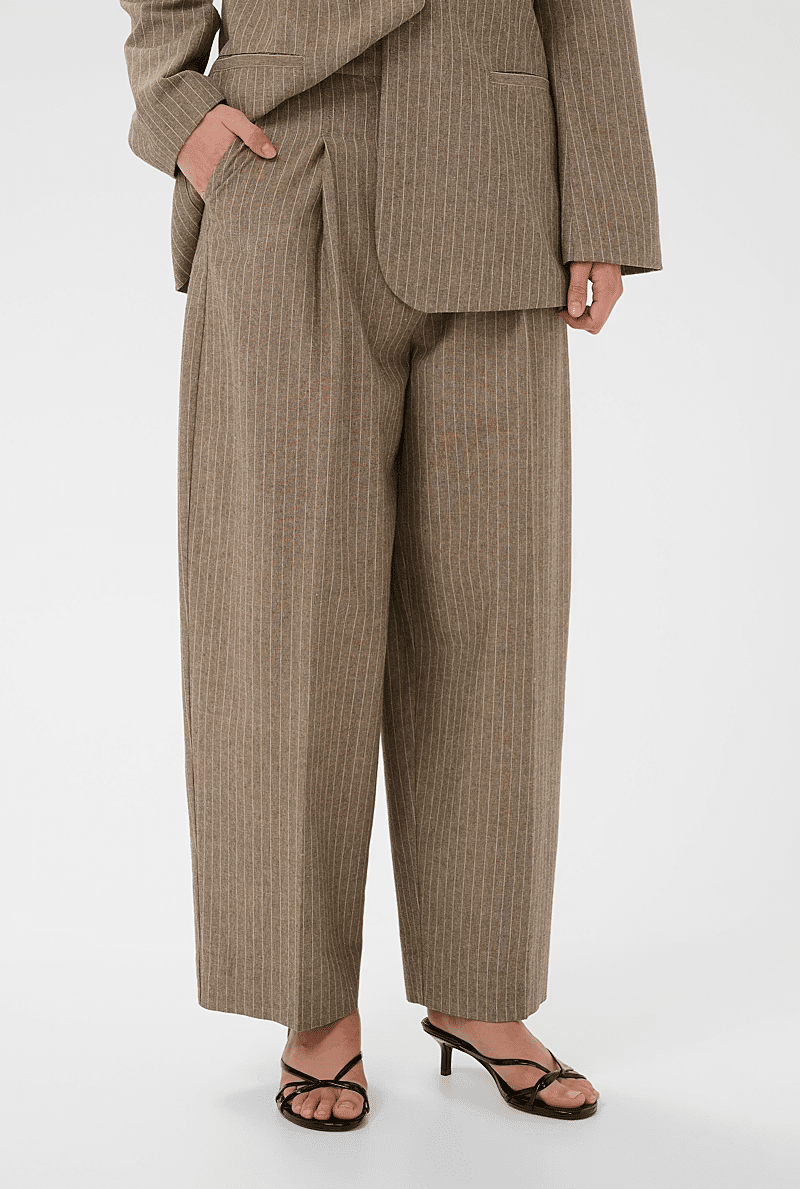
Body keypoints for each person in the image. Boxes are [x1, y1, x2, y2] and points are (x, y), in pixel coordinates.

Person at [120, 0, 662, 1130]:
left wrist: (604, 200)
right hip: (283, 163)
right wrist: (177, 104)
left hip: (499, 189)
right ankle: (309, 1005)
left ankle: (479, 987)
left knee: (493, 618)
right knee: (283, 623)